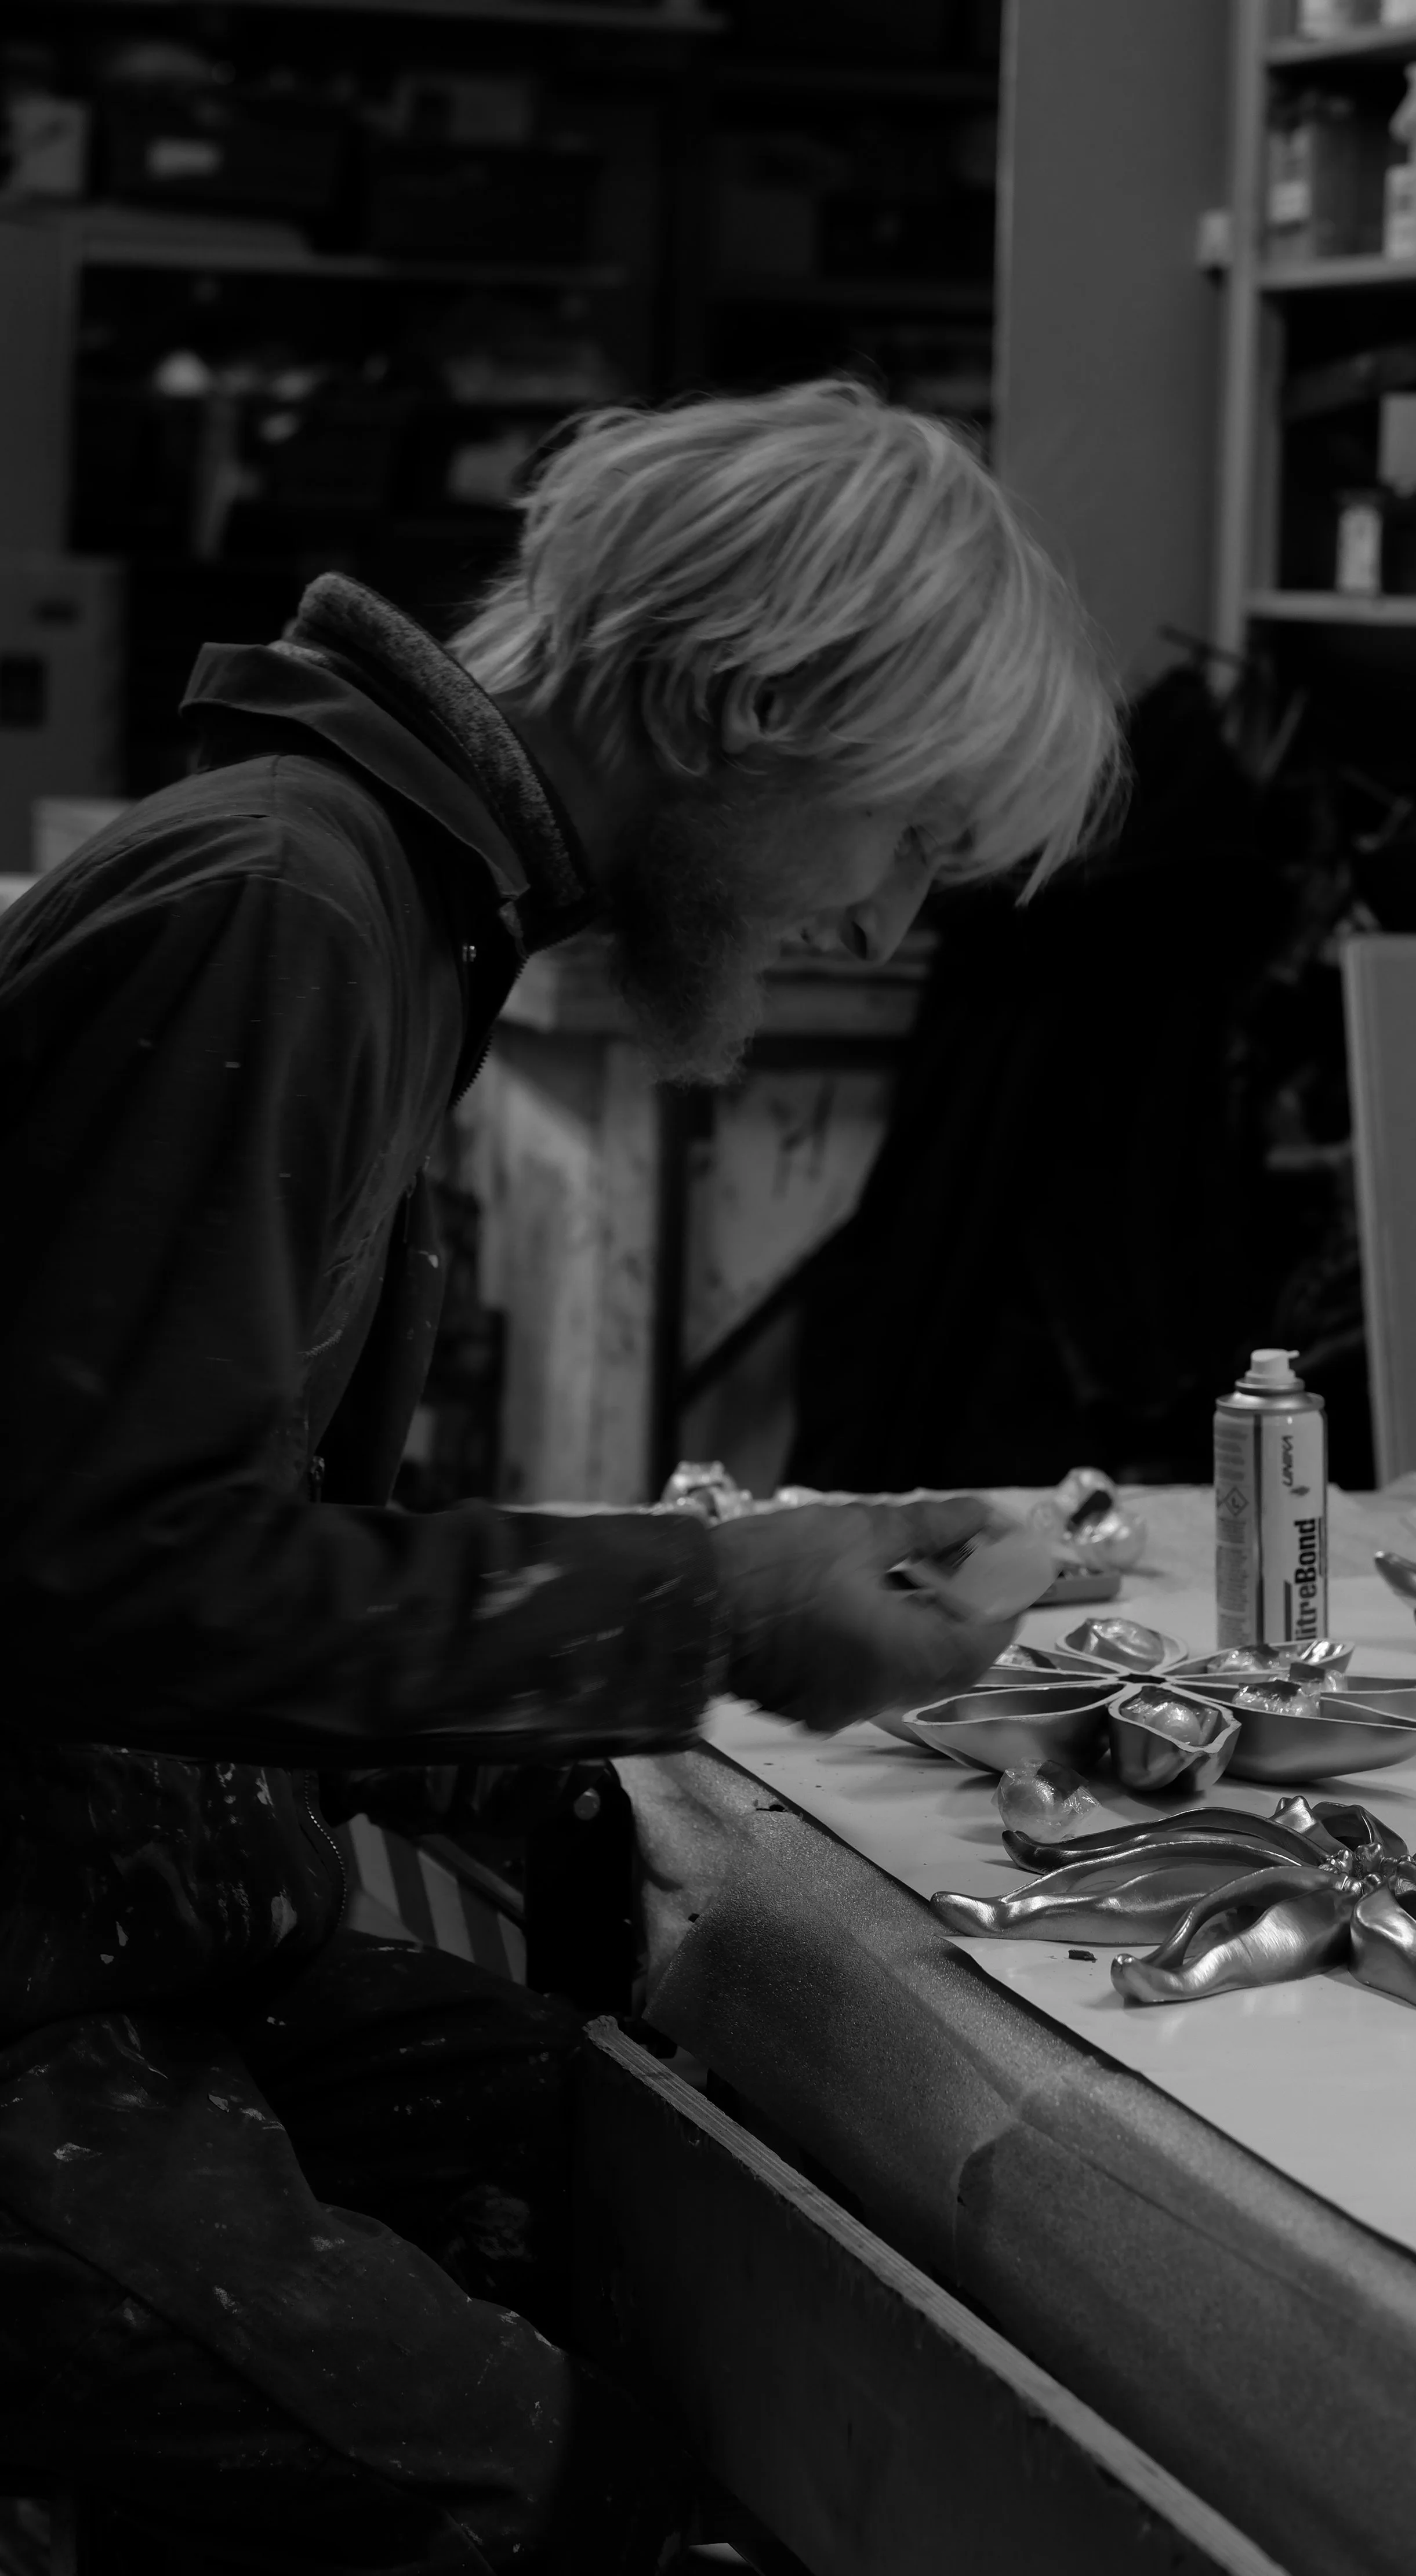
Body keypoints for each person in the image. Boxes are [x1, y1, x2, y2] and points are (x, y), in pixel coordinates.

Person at [0, 380, 1119, 2573]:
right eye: (900, 837)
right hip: (31, 1969)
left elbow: (243, 1534)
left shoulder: (394, 917)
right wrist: (711, 1616)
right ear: (728, 708)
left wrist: (675, 1606)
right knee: (569, 2501)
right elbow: (94, 1579)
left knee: (648, 2167)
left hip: (110, 1908)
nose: (886, 924)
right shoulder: (283, 909)